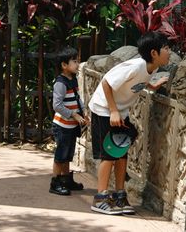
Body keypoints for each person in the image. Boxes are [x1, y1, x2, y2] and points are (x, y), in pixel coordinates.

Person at [88, 31, 171, 214]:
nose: (169, 51)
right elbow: (106, 83)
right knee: (109, 153)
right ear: (154, 53)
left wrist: (153, 86)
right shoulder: (135, 66)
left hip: (120, 111)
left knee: (121, 152)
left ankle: (119, 195)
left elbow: (139, 83)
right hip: (104, 109)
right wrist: (113, 111)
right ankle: (100, 198)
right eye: (166, 48)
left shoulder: (153, 68)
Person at [50, 47, 89, 196]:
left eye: (77, 60)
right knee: (61, 155)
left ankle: (66, 179)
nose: (77, 63)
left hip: (71, 125)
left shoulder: (72, 80)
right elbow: (57, 105)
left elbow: (77, 98)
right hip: (62, 126)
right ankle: (55, 182)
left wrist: (83, 113)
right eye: (74, 61)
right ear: (64, 65)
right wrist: (73, 114)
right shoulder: (60, 83)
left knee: (68, 154)